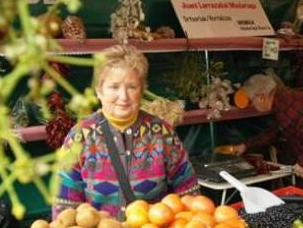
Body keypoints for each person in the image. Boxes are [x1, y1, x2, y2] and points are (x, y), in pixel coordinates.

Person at [53, 45, 199, 218]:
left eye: (132, 87)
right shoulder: (79, 137)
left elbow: (189, 192)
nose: (123, 96)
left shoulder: (161, 134)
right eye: (114, 87)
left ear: (142, 90)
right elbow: (65, 206)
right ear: (99, 91)